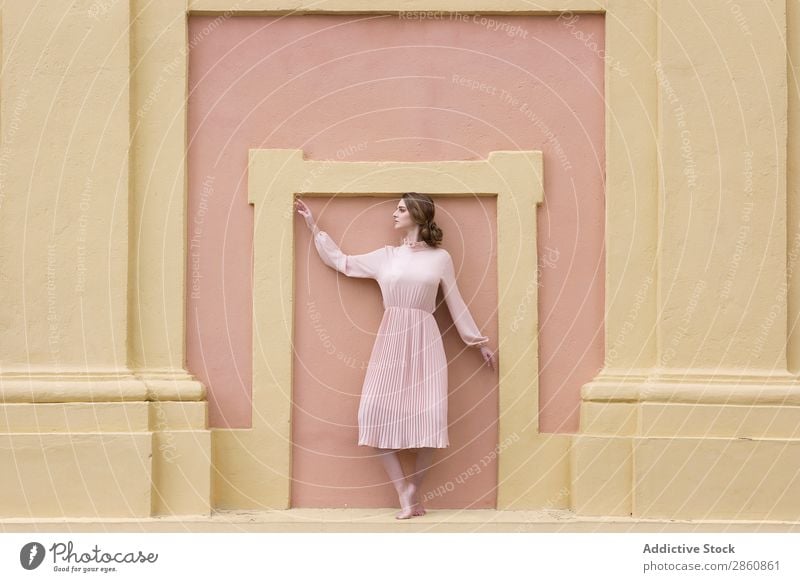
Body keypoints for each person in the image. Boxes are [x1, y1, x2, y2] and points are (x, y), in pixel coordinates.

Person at [295, 192, 497, 519]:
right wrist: (313, 226)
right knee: (372, 412)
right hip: (391, 338)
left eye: (401, 209)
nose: (395, 214)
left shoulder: (440, 258)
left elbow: (455, 302)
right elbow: (343, 262)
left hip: (426, 339)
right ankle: (405, 490)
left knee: (430, 417)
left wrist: (478, 342)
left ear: (418, 214)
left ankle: (412, 493)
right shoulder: (386, 256)